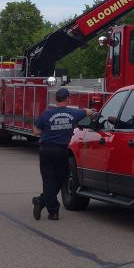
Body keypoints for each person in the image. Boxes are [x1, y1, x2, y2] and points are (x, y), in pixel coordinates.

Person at [31, 88, 90, 221]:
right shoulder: (73, 113)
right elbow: (87, 112)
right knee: (61, 179)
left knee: (48, 180)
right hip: (61, 151)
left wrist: (49, 130)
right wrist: (91, 112)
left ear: (56, 99)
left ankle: (46, 205)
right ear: (67, 99)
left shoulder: (47, 114)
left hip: (46, 150)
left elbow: (35, 131)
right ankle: (49, 207)